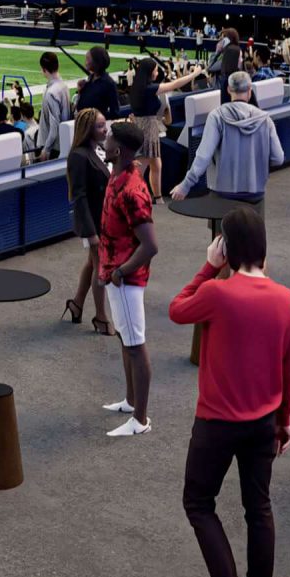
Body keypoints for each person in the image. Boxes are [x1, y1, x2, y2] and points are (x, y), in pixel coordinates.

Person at [169, 209, 290, 577]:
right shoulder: (286, 299)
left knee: (199, 503)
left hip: (216, 423)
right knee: (258, 509)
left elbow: (176, 310)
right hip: (263, 421)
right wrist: (284, 421)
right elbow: (289, 368)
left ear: (226, 248)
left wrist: (208, 266)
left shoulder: (218, 293)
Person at [100, 120, 160, 437]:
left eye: (108, 138)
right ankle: (130, 400)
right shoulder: (119, 172)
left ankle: (141, 419)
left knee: (136, 345)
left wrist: (121, 271)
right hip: (114, 271)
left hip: (125, 278)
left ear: (118, 149)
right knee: (126, 339)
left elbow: (151, 245)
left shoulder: (132, 190)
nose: (105, 140)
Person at [172, 72, 281, 206]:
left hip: (223, 193)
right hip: (255, 194)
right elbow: (278, 158)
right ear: (250, 90)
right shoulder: (265, 120)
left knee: (222, 226)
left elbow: (203, 156)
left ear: (229, 89)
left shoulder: (217, 116)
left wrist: (185, 185)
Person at [63, 108, 113, 335]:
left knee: (93, 264)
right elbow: (79, 196)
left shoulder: (99, 149)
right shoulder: (79, 155)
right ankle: (101, 317)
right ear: (88, 130)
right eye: (100, 126)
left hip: (103, 218)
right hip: (93, 221)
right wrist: (90, 232)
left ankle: (77, 304)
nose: (106, 129)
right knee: (101, 266)